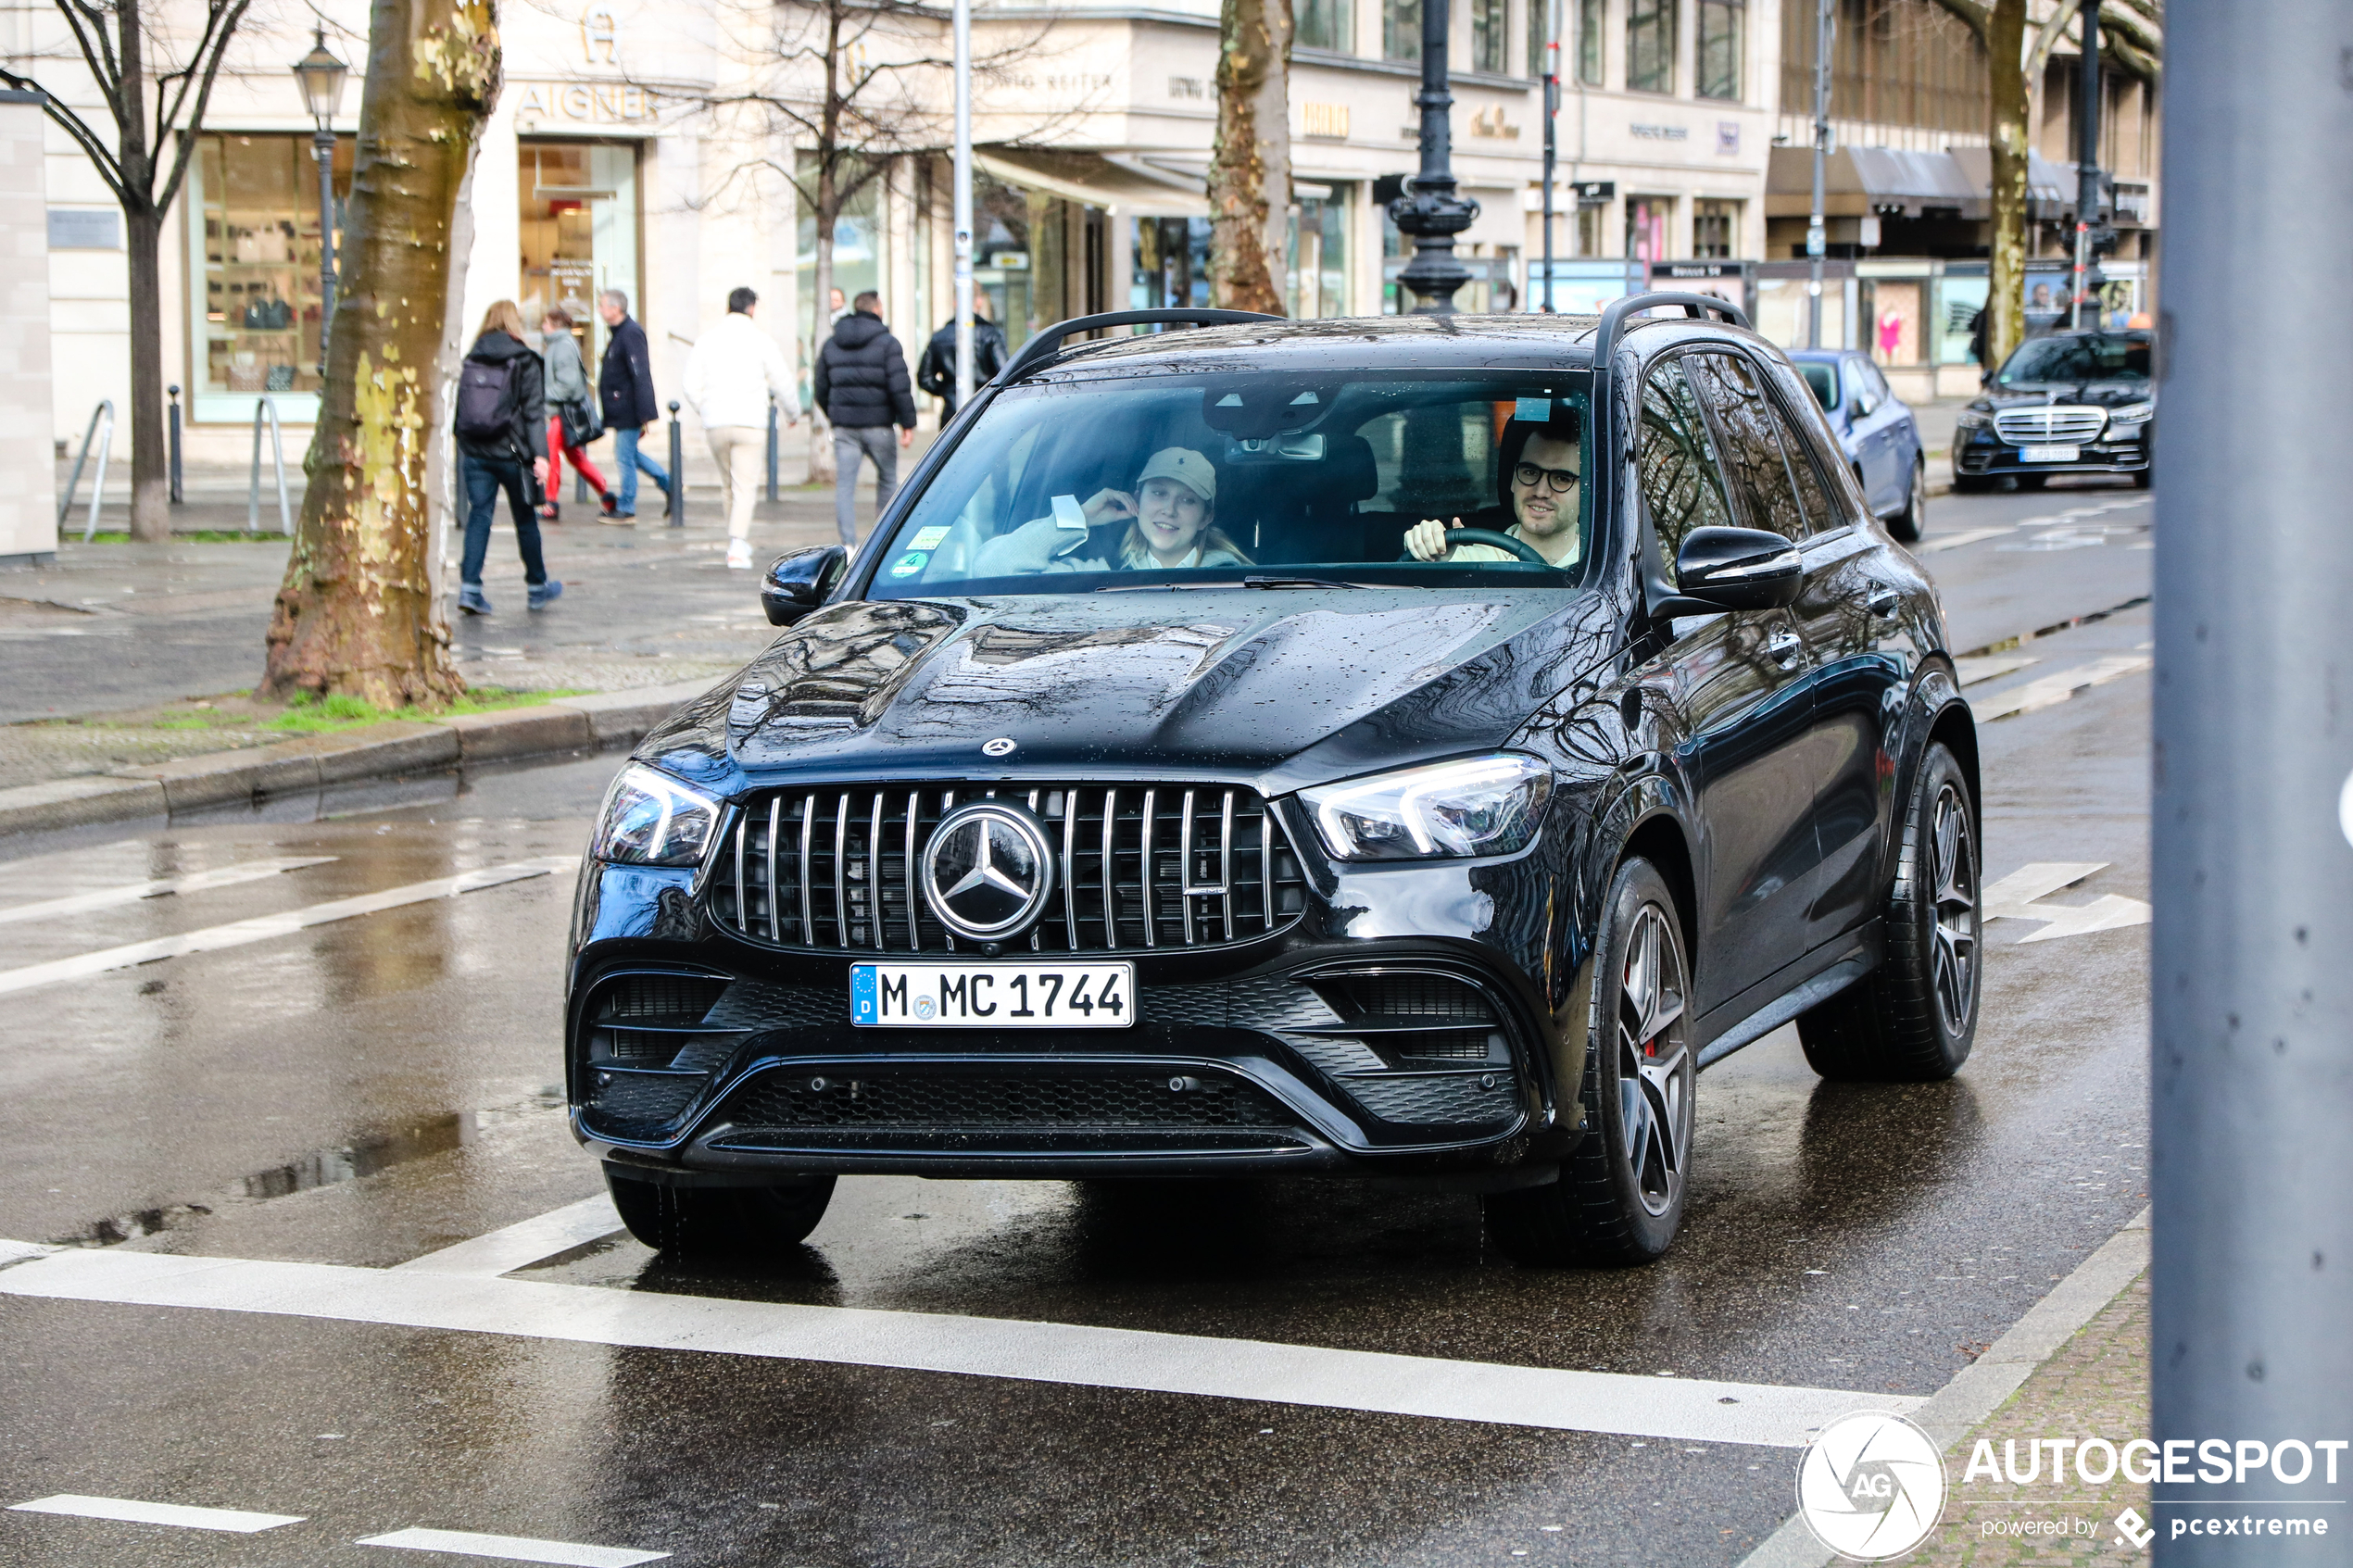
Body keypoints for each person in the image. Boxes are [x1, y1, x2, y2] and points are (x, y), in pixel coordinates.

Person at [971, 447, 1250, 575]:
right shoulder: (1103, 575)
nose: (1169, 509)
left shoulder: (1238, 579)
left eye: (1188, 500)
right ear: (1137, 500)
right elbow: (991, 567)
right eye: (1159, 493)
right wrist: (1080, 517)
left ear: (1205, 517)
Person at [682, 286, 802, 571]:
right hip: (750, 422)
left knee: (728, 485)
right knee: (745, 486)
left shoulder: (706, 341)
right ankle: (738, 544)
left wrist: (705, 408)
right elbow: (782, 381)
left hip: (716, 423)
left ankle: (735, 540)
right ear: (751, 308)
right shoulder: (761, 341)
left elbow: (689, 384)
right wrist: (793, 412)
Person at [453, 299, 559, 614]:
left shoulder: (472, 356)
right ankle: (537, 588)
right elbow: (532, 413)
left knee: (479, 516)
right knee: (525, 521)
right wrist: (541, 456)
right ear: (514, 323)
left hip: (475, 453)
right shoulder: (524, 359)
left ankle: (470, 589)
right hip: (513, 453)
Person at [1403, 413, 1583, 569]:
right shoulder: (1470, 562)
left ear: (1586, 492)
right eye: (1530, 472)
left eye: (1561, 479)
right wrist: (1429, 544)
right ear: (1513, 479)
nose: (1541, 491)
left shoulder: (1606, 566)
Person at [813, 290, 917, 550]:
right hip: (879, 425)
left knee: (845, 486)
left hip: (845, 428)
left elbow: (820, 387)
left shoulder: (831, 343)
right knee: (887, 481)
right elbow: (899, 387)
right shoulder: (888, 343)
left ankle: (848, 545)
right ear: (877, 308)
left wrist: (835, 414)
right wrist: (908, 423)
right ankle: (881, 545)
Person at [597, 288, 670, 522]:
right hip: (621, 407)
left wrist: (646, 413)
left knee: (624, 456)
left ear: (615, 309)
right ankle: (671, 486)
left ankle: (627, 506)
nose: (599, 310)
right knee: (630, 454)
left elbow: (640, 373)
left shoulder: (630, 333)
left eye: (602, 305)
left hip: (628, 407)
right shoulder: (620, 333)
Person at [537, 308, 610, 522]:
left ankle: (550, 503)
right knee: (575, 457)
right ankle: (607, 495)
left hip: (562, 412)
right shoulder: (558, 344)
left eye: (546, 322)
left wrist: (541, 395)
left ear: (555, 325)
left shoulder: (562, 347)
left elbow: (568, 386)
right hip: (561, 411)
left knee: (552, 455)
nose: (543, 326)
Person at [916, 296, 1009, 420]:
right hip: (985, 410)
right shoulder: (990, 334)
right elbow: (1005, 374)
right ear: (979, 301)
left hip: (952, 415)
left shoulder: (940, 337)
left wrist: (948, 391)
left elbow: (924, 378)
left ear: (955, 302)